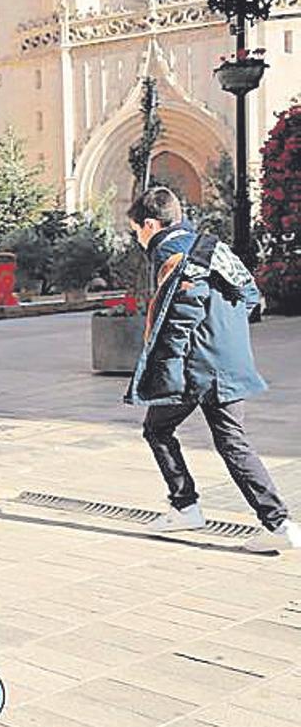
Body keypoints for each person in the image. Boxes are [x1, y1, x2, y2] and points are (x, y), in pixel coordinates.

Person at [126, 186, 298, 553]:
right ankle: (273, 522)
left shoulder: (172, 252)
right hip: (227, 358)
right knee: (225, 440)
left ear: (151, 224)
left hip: (199, 366)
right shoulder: (210, 246)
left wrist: (166, 369)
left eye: (137, 229)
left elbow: (183, 310)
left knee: (160, 430)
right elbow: (252, 298)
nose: (138, 238)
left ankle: (191, 507)